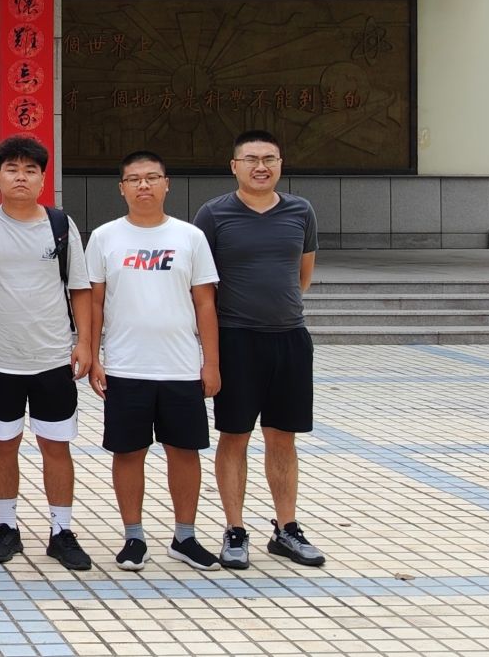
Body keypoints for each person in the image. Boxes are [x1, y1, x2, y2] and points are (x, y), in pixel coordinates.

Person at [85, 150, 222, 572]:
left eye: (151, 177)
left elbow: (205, 304)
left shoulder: (190, 237)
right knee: (129, 452)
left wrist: (211, 363)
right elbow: (95, 302)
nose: (143, 185)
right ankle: (133, 537)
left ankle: (185, 536)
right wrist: (93, 355)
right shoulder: (104, 237)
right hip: (125, 367)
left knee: (185, 451)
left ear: (167, 184)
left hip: (181, 366)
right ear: (121, 188)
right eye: (134, 179)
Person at [195, 130, 326, 568]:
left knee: (283, 437)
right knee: (234, 436)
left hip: (290, 339)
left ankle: (286, 529)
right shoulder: (214, 214)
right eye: (251, 159)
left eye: (269, 158)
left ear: (281, 164)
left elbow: (302, 276)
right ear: (234, 166)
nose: (261, 166)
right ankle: (235, 530)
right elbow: (202, 286)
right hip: (236, 339)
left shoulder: (300, 211)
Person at [0, 136, 94, 572]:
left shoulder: (60, 225)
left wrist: (85, 343)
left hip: (53, 358)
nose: (20, 177)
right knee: (3, 444)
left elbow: (80, 288)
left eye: (30, 170)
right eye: (12, 169)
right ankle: (6, 526)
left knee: (56, 446)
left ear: (43, 178)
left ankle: (61, 531)